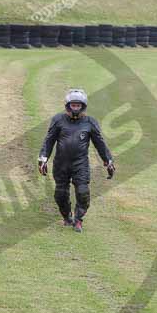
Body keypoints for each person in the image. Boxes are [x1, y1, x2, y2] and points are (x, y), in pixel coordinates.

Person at [38, 89, 115, 233]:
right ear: (67, 105)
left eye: (78, 105)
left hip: (80, 164)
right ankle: (67, 216)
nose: (75, 108)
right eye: (73, 105)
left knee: (83, 192)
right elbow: (49, 141)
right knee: (60, 194)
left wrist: (108, 161)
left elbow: (100, 143)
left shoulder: (90, 122)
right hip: (61, 163)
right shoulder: (58, 120)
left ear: (83, 106)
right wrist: (43, 158)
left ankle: (78, 219)